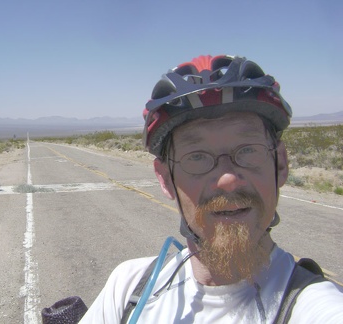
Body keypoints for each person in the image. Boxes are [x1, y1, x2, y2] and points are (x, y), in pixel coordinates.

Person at [79, 55, 343, 323]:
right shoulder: (127, 289)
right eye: (197, 156)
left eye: (249, 150)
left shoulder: (318, 307)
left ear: (281, 165)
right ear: (165, 179)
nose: (227, 179)